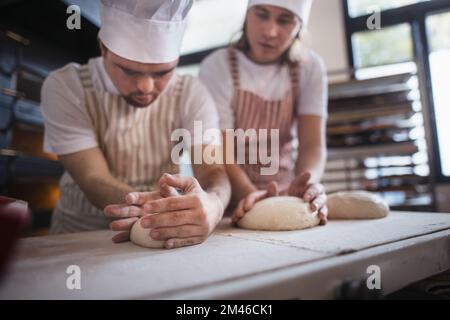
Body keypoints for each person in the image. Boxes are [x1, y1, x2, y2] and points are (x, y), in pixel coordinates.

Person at [41, 0, 231, 249]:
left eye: (162, 73)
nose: (146, 87)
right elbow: (92, 177)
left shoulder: (192, 93)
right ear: (103, 48)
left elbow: (214, 171)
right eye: (128, 71)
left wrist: (214, 204)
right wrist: (158, 210)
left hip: (162, 237)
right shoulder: (66, 86)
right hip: (78, 238)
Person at [199, 0, 328, 223]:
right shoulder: (217, 66)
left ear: (299, 27)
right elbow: (220, 151)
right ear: (247, 15)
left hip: (285, 193)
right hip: (226, 199)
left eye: (285, 21)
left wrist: (307, 184)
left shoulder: (310, 68)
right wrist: (253, 198)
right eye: (261, 15)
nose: (270, 32)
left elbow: (312, 145)